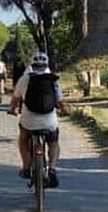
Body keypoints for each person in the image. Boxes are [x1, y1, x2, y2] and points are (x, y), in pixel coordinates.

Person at [8, 52, 68, 188]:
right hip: (49, 122)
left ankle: (26, 167)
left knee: (23, 140)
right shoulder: (53, 80)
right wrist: (64, 111)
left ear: (32, 65)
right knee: (53, 143)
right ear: (47, 65)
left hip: (29, 121)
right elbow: (60, 101)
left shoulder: (25, 79)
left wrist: (12, 110)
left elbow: (15, 100)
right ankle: (52, 169)